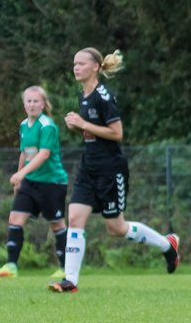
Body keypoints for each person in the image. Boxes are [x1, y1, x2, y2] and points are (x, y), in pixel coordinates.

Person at [48, 48, 179, 293]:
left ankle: (167, 245)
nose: (76, 67)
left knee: (115, 228)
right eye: (74, 63)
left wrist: (83, 123)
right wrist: (79, 127)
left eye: (81, 64)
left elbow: (117, 134)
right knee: (75, 217)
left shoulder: (103, 96)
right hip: (89, 167)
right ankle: (70, 281)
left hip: (111, 169)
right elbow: (93, 131)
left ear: (95, 67)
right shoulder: (83, 96)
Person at [0, 86, 70, 278]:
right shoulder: (24, 125)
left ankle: (66, 268)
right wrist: (19, 179)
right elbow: (25, 153)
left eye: (36, 101)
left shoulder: (47, 125)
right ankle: (11, 267)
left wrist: (21, 174)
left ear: (43, 104)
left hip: (52, 182)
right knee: (15, 219)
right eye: (28, 101)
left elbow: (44, 154)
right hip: (30, 183)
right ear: (24, 104)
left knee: (57, 224)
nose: (32, 105)